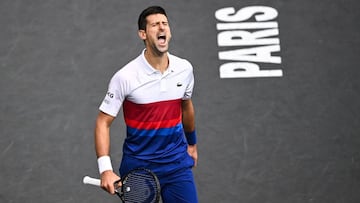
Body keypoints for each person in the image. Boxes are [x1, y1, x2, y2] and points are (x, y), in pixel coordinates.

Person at [94, 6, 198, 202]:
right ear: (143, 33)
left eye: (165, 23)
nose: (161, 27)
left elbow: (186, 106)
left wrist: (192, 143)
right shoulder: (125, 77)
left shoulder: (184, 69)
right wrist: (105, 169)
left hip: (176, 163)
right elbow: (103, 122)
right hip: (139, 167)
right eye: (154, 24)